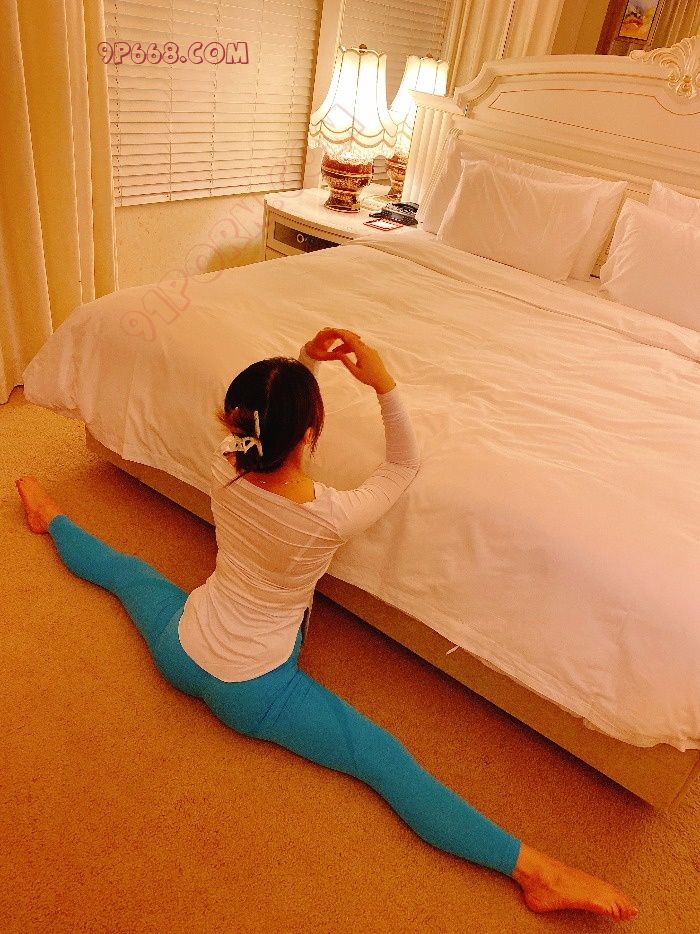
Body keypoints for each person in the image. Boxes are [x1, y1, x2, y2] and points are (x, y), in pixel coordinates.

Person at [16, 328, 637, 921]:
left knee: (130, 576)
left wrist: (302, 364)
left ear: (235, 425)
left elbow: (272, 427)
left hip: (181, 648)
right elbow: (403, 466)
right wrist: (384, 383)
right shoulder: (331, 515)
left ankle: (53, 520)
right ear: (311, 434)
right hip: (254, 692)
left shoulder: (221, 468)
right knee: (383, 760)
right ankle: (534, 871)